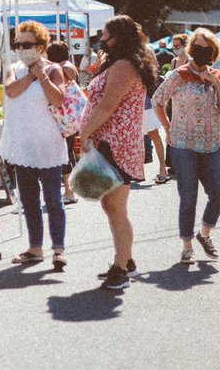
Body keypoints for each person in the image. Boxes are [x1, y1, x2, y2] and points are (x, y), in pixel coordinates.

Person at [80, 15, 157, 290]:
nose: (102, 39)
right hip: (112, 142)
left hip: (117, 144)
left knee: (116, 208)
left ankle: (121, 268)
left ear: (119, 38)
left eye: (106, 34)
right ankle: (125, 259)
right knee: (112, 206)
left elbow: (107, 106)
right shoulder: (120, 63)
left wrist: (85, 132)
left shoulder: (124, 66)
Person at [152, 28, 220, 264]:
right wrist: (167, 129)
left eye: (206, 49)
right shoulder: (178, 75)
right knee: (188, 198)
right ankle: (187, 244)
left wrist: (215, 82)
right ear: (190, 50)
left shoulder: (217, 75)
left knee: (219, 193)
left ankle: (204, 234)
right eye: (196, 47)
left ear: (213, 53)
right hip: (183, 144)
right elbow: (158, 101)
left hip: (211, 144)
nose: (201, 52)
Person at [0, 21, 69, 270]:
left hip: (48, 143)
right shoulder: (13, 68)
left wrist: (42, 77)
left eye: (26, 45)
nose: (21, 49)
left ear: (40, 46)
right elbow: (11, 91)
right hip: (22, 144)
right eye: (18, 44)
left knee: (53, 199)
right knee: (28, 200)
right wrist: (30, 75)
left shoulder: (55, 69)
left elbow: (58, 99)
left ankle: (58, 249)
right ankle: (34, 247)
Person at [45, 41, 80, 204]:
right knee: (68, 152)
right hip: (71, 117)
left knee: (64, 153)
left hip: (66, 117)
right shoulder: (68, 65)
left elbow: (60, 92)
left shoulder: (62, 68)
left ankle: (69, 191)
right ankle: (70, 189)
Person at [142, 46, 170, 184]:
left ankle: (162, 168)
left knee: (154, 135)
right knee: (137, 138)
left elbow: (154, 69)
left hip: (147, 102)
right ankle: (139, 170)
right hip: (137, 103)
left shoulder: (146, 50)